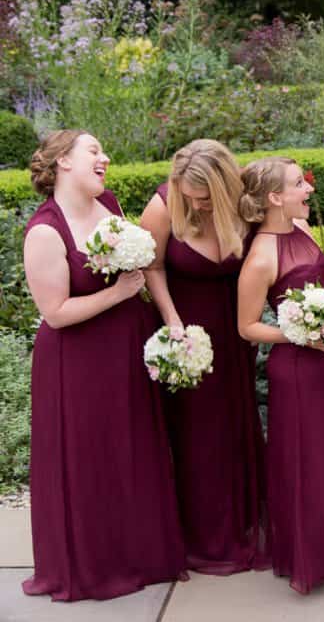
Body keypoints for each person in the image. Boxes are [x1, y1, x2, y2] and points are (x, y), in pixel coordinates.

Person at [21, 130, 185, 600]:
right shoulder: (45, 231)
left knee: (129, 452)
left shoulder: (107, 203)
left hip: (125, 352)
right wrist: (116, 293)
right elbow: (55, 313)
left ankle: (137, 554)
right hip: (77, 364)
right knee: (88, 460)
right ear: (62, 163)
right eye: (93, 151)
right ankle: (93, 565)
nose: (105, 158)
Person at [236, 156, 324, 594]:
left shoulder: (300, 230)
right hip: (295, 371)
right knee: (303, 460)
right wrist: (298, 335)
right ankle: (306, 558)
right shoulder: (260, 257)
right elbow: (247, 327)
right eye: (300, 184)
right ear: (275, 197)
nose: (309, 189)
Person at [140, 139, 267, 575]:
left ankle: (245, 525)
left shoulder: (246, 202)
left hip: (236, 332)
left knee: (238, 423)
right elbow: (150, 266)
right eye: (192, 198)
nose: (199, 206)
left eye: (207, 198)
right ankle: (201, 536)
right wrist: (173, 322)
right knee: (198, 435)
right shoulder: (162, 207)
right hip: (189, 334)